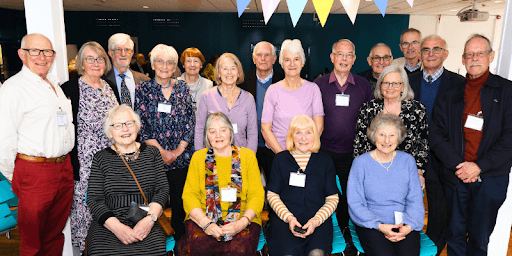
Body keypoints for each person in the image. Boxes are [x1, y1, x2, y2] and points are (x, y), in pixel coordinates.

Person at [429, 34, 512, 256]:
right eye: (469, 54)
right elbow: (436, 134)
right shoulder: (450, 94)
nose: (474, 58)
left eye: (480, 53)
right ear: (463, 59)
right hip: (456, 177)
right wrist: (459, 165)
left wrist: (479, 166)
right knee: (454, 233)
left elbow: (510, 138)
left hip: (490, 178)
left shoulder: (507, 92)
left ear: (491, 56)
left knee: (479, 236)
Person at [0, 33, 75, 255]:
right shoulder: (14, 88)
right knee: (32, 241)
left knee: (54, 234)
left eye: (48, 52)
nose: (42, 57)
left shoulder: (53, 84)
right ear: (22, 54)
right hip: (33, 171)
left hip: (63, 168)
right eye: (35, 51)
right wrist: (15, 176)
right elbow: (4, 137)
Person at [313, 38, 372, 255]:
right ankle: (325, 227)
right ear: (332, 57)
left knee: (349, 194)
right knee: (326, 192)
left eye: (349, 55)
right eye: (340, 54)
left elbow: (368, 119)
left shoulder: (363, 85)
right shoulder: (318, 85)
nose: (344, 59)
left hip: (353, 153)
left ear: (354, 59)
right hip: (324, 151)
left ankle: (346, 230)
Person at [408, 35, 465, 255]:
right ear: (420, 54)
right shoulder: (408, 80)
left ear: (445, 53)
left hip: (443, 156)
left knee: (439, 207)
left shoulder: (459, 83)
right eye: (426, 49)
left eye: (436, 49)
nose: (431, 54)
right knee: (407, 203)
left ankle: (434, 246)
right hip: (411, 155)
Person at [61, 41, 119, 254]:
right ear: (81, 64)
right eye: (90, 59)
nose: (96, 63)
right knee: (87, 213)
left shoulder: (110, 87)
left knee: (111, 209)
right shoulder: (69, 89)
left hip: (112, 163)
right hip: (85, 167)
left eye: (100, 59)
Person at [86, 105, 169, 255]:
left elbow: (162, 190)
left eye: (129, 123)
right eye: (117, 125)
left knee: (154, 251)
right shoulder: (100, 158)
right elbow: (94, 198)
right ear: (110, 133)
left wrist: (150, 220)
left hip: (145, 218)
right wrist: (117, 228)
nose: (125, 129)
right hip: (110, 222)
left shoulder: (153, 153)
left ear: (136, 127)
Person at [178, 112, 264, 255]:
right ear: (207, 136)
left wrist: (242, 222)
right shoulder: (198, 158)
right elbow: (189, 196)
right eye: (212, 131)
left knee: (238, 250)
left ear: (230, 132)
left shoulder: (247, 156)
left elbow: (257, 195)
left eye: (223, 130)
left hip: (243, 219)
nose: (218, 135)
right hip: (203, 219)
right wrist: (206, 224)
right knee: (201, 248)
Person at [134, 44, 195, 242]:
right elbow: (141, 124)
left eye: (170, 62)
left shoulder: (182, 87)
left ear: (175, 66)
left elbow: (190, 121)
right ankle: (156, 243)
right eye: (160, 61)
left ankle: (178, 244)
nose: (164, 66)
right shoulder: (143, 89)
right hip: (153, 158)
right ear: (152, 64)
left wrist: (177, 151)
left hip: (182, 158)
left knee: (180, 203)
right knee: (153, 204)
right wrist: (161, 152)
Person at [348, 113, 425, 256]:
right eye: (382, 134)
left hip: (403, 224)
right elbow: (355, 202)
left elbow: (415, 199)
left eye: (392, 135)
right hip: (372, 224)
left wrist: (408, 227)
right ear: (373, 136)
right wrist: (380, 226)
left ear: (399, 137)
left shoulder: (408, 161)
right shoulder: (360, 163)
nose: (386, 140)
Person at [266, 115, 339, 256]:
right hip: (284, 221)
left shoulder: (325, 161)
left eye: (308, 132)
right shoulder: (280, 159)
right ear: (292, 136)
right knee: (287, 253)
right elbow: (272, 194)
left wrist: (316, 221)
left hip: (318, 221)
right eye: (298, 132)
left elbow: (333, 198)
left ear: (315, 135)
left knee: (316, 253)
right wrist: (289, 218)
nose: (303, 138)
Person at [354, 65, 429, 191]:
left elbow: (423, 144)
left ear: (403, 86)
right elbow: (359, 144)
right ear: (380, 85)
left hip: (405, 174)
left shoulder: (417, 110)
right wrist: (361, 172)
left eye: (395, 83)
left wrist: (419, 172)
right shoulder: (368, 109)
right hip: (373, 173)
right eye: (386, 83)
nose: (390, 88)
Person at [261, 39, 324, 180]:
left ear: (302, 62)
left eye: (296, 59)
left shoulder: (313, 89)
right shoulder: (272, 90)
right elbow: (265, 129)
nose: (292, 64)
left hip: (306, 155)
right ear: (281, 63)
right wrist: (283, 156)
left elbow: (318, 127)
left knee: (303, 198)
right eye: (287, 60)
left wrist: (303, 152)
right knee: (277, 198)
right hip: (277, 155)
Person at [239, 41, 285, 181]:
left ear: (275, 59)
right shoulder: (243, 81)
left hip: (275, 145)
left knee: (275, 188)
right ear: (253, 59)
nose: (263, 59)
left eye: (267, 55)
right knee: (248, 187)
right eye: (259, 55)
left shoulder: (284, 80)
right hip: (249, 144)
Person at [195, 53, 258, 153]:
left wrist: (250, 158)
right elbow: (199, 129)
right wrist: (200, 155)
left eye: (233, 68)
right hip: (212, 155)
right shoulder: (207, 96)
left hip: (240, 155)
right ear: (219, 73)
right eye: (225, 68)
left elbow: (252, 133)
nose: (229, 72)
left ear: (238, 73)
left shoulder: (248, 98)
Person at [104, 33, 150, 108]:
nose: (123, 54)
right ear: (111, 53)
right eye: (118, 49)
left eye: (127, 50)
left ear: (132, 53)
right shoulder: (103, 81)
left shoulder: (145, 81)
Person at [179, 47, 214, 113]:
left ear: (201, 65)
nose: (192, 65)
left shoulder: (209, 85)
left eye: (196, 61)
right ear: (183, 64)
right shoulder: (175, 84)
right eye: (188, 61)